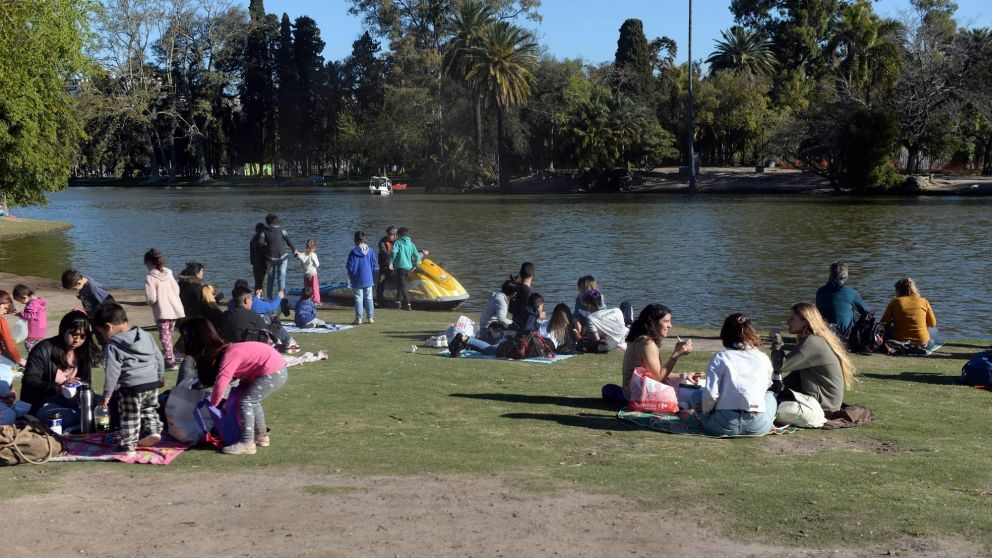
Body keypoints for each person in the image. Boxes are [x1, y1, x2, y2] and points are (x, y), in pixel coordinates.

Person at [185, 317, 288, 455]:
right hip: (274, 368)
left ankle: (247, 443)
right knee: (252, 401)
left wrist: (214, 404)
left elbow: (222, 381)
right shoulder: (230, 349)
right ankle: (261, 435)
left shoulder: (230, 355)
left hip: (272, 371)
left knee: (247, 402)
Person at [93, 303, 164, 454]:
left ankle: (128, 446)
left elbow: (113, 372)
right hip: (152, 382)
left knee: (129, 416)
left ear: (108, 327)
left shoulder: (113, 345)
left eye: (102, 333)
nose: (104, 337)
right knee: (149, 408)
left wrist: (107, 395)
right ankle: (154, 431)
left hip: (131, 386)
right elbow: (159, 357)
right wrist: (160, 376)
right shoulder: (146, 335)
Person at [693, 314, 776, 437]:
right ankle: (768, 421)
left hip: (723, 425)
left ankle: (707, 414)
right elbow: (766, 386)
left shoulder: (720, 357)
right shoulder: (763, 358)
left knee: (697, 394)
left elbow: (711, 394)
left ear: (725, 334)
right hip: (757, 425)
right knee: (770, 396)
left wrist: (706, 410)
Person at [770, 302, 856, 412]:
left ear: (805, 321)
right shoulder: (815, 339)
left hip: (823, 406)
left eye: (792, 318)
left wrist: (777, 340)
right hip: (828, 403)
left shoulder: (811, 342)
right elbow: (795, 377)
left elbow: (779, 365)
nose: (788, 322)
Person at [603, 304, 692, 404]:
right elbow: (658, 377)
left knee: (686, 385)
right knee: (693, 395)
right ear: (653, 322)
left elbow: (656, 372)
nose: (670, 326)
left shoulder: (641, 338)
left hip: (634, 392)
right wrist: (676, 355)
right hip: (638, 396)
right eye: (666, 321)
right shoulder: (646, 343)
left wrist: (684, 375)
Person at [19, 311, 95, 427]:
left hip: (74, 400)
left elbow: (86, 381)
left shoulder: (82, 351)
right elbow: (29, 380)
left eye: (82, 336)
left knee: (102, 405)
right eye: (74, 334)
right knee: (70, 417)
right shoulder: (43, 349)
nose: (77, 340)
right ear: (63, 330)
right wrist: (58, 387)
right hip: (44, 403)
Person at [143, 248, 185, 370]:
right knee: (169, 335)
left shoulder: (150, 278)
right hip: (174, 309)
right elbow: (177, 289)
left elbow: (151, 298)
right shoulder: (169, 273)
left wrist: (152, 303)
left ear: (149, 263)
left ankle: (170, 362)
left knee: (165, 337)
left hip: (162, 311)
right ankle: (171, 357)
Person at [815, 261, 870, 339]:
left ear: (830, 275)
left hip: (826, 334)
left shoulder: (820, 291)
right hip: (845, 336)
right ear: (846, 277)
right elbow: (867, 312)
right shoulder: (850, 292)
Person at [881, 277, 938, 349]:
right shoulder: (924, 301)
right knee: (934, 330)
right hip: (922, 344)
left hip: (899, 342)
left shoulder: (895, 302)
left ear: (898, 290)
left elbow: (883, 324)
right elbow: (932, 324)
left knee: (890, 329)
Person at [259, 213, 297, 299]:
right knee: (281, 278)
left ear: (267, 222)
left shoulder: (264, 231)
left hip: (270, 258)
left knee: (270, 279)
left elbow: (260, 243)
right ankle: (281, 298)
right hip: (283, 257)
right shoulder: (282, 229)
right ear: (276, 222)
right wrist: (294, 250)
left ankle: (269, 298)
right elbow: (289, 241)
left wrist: (266, 249)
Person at [389, 227, 427, 311]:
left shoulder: (397, 243)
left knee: (403, 285)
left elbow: (393, 252)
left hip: (400, 267)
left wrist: (391, 262)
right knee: (401, 283)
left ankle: (407, 304)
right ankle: (397, 302)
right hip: (408, 268)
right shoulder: (411, 244)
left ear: (398, 235)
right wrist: (415, 265)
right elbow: (417, 256)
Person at [346, 231, 378, 325]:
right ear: (364, 239)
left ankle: (359, 318)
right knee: (369, 298)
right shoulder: (371, 251)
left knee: (358, 298)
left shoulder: (353, 252)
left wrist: (351, 276)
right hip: (368, 278)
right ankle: (370, 318)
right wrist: (370, 274)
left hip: (357, 278)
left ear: (355, 240)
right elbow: (373, 264)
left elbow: (350, 266)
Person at [13, 284, 47, 354]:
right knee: (37, 346)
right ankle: (38, 356)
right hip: (40, 330)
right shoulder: (37, 301)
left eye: (19, 300)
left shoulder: (32, 304)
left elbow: (30, 316)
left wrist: (20, 314)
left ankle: (34, 357)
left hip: (34, 331)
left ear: (24, 297)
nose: (20, 302)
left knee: (28, 344)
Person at [0, 290, 24, 366]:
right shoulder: (1, 321)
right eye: (5, 308)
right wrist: (18, 359)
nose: (5, 311)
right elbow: (8, 342)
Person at [375, 226, 398, 306]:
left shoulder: (398, 242)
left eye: (391, 234)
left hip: (396, 266)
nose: (389, 235)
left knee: (402, 278)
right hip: (385, 266)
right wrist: (391, 262)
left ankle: (399, 299)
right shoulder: (382, 242)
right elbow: (385, 253)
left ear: (395, 235)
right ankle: (379, 300)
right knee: (381, 281)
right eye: (388, 234)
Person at [295, 238, 321, 305]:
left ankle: (306, 299)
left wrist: (297, 253)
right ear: (314, 247)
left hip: (305, 274)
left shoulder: (302, 255)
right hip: (313, 274)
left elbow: (298, 255)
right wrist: (314, 266)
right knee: (315, 288)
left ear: (306, 247)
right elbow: (317, 265)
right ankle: (316, 301)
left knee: (307, 288)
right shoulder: (313, 255)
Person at [249, 223, 267, 292]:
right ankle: (263, 298)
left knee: (257, 282)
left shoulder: (252, 240)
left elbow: (251, 254)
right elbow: (265, 251)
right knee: (264, 282)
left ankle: (257, 297)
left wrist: (252, 262)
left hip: (255, 264)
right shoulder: (262, 240)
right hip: (262, 263)